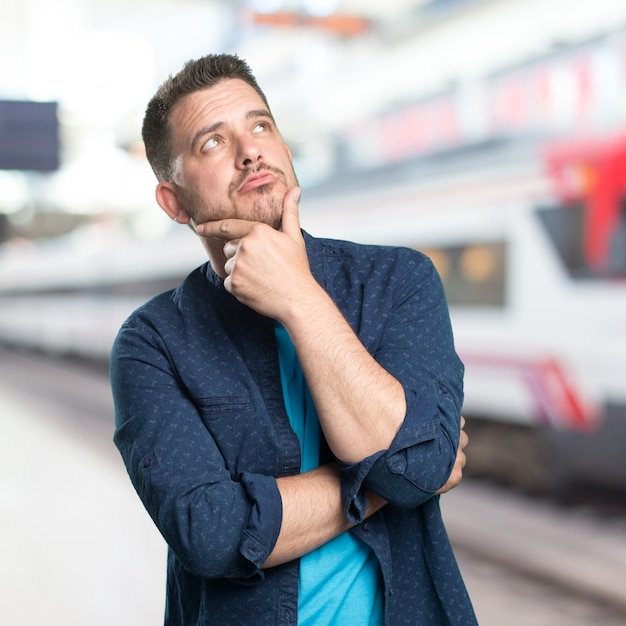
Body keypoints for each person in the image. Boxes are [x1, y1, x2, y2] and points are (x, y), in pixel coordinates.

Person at [110, 53, 478, 625]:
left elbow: (419, 468)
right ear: (173, 202)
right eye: (212, 142)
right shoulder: (152, 341)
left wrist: (298, 297)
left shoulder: (400, 281)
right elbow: (211, 535)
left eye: (261, 126)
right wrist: (381, 485)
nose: (249, 150)